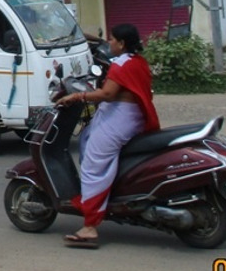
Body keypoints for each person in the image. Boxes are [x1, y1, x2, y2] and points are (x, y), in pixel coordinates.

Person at [55, 23, 159, 248]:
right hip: (129, 116)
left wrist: (76, 97)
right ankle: (101, 199)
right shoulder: (136, 61)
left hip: (121, 118)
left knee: (93, 162)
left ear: (121, 44)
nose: (109, 42)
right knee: (86, 142)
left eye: (113, 39)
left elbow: (108, 94)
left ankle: (90, 226)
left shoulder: (121, 65)